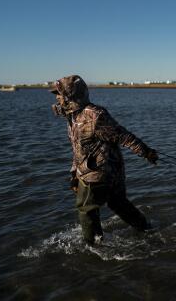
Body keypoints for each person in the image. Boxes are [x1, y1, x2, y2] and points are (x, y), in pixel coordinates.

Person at [51, 75, 158, 244]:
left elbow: (123, 136)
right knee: (117, 203)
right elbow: (79, 149)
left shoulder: (95, 115)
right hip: (105, 171)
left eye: (58, 94)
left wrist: (146, 152)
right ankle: (146, 229)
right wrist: (74, 174)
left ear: (69, 96)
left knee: (86, 208)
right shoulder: (73, 116)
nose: (56, 97)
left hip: (98, 173)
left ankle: (93, 247)